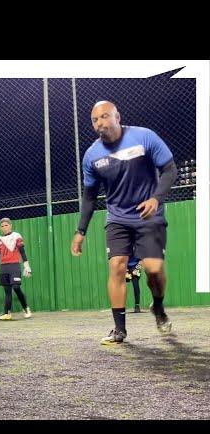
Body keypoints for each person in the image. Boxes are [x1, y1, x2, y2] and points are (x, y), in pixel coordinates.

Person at [70, 101, 177, 345]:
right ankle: (119, 330)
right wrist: (80, 231)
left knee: (154, 270)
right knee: (117, 265)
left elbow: (170, 170)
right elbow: (89, 197)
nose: (100, 123)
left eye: (105, 116)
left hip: (149, 216)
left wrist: (156, 199)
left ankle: (158, 307)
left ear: (118, 116)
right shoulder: (92, 156)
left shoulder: (144, 137)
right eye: (95, 120)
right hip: (118, 218)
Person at [0, 217, 32, 320]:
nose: (4, 227)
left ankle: (26, 308)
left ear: (10, 225)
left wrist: (27, 266)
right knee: (7, 291)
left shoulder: (16, 236)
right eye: (2, 226)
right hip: (3, 267)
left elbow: (22, 251)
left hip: (14, 265)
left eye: (6, 225)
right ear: (0, 227)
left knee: (16, 287)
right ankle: (7, 313)